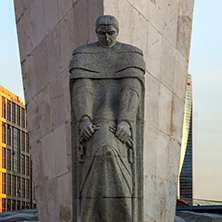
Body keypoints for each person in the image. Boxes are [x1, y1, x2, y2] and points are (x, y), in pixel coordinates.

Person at [70, 15, 145, 222]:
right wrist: (84, 119)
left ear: (117, 31)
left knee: (110, 153)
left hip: (119, 124)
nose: (107, 38)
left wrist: (126, 121)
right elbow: (82, 88)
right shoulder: (84, 54)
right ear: (96, 32)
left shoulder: (130, 53)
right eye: (102, 33)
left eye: (111, 33)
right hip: (95, 124)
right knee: (102, 150)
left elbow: (132, 89)